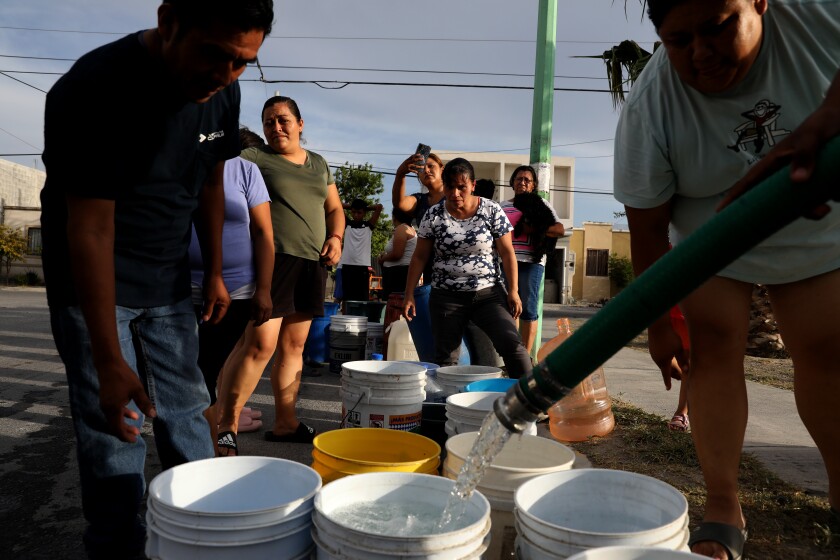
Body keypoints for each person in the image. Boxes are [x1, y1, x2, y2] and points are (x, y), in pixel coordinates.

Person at [39, 1, 273, 557]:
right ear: (169, 21)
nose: (224, 75)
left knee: (187, 408)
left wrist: (213, 271)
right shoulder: (94, 88)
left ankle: (201, 533)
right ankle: (117, 544)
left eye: (242, 63)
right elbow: (91, 229)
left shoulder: (224, 92)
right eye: (213, 54)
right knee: (113, 425)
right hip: (94, 280)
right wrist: (107, 359)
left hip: (170, 279)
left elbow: (212, 185)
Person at [613, 1, 840, 558]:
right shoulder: (652, 105)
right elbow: (647, 232)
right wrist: (661, 325)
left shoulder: (821, 14)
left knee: (828, 353)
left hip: (816, 216)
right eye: (679, 40)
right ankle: (723, 505)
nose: (701, 54)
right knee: (713, 348)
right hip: (710, 234)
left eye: (718, 27)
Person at [239, 95, 344, 444]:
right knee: (259, 346)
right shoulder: (255, 158)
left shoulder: (319, 163)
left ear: (300, 124)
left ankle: (286, 422)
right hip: (274, 260)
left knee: (294, 347)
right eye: (268, 121)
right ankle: (222, 423)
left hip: (313, 263)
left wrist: (337, 238)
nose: (276, 126)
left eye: (283, 119)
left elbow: (334, 210)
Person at [402, 158, 532, 378]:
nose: (455, 193)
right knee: (446, 360)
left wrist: (513, 291)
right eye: (450, 186)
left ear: (472, 185)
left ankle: (532, 403)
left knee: (512, 346)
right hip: (446, 297)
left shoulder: (491, 211)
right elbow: (419, 257)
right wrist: (408, 295)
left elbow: (508, 252)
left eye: (461, 187)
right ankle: (451, 409)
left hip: (488, 294)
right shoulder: (433, 215)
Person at [188, 127, 273, 456]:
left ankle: (211, 448)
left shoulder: (245, 170)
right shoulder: (180, 166)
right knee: (190, 376)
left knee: (207, 372)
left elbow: (264, 232)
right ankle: (204, 448)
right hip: (180, 289)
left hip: (236, 291)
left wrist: (263, 289)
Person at [501, 165, 565, 354]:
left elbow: (560, 229)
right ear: (512, 182)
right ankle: (512, 356)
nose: (522, 182)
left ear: (533, 185)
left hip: (532, 262)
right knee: (508, 309)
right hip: (506, 261)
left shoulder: (541, 203)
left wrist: (533, 229)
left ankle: (526, 356)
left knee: (528, 308)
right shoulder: (502, 206)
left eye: (527, 180)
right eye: (518, 179)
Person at [392, 151, 445, 361]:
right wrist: (400, 174)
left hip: (462, 273)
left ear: (442, 169)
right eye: (422, 169)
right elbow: (399, 204)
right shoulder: (420, 201)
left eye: (432, 166)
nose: (427, 170)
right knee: (439, 329)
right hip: (433, 273)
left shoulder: (455, 196)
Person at [339, 199, 383, 304]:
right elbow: (339, 205)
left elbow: (379, 207)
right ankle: (346, 318)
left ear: (364, 213)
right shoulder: (347, 224)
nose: (356, 215)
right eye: (353, 212)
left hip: (362, 267)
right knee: (346, 298)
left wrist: (365, 207)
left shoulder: (369, 226)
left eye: (359, 212)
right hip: (347, 265)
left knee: (362, 298)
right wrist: (354, 206)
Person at [377, 207, 417, 300]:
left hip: (397, 274)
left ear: (394, 217)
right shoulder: (410, 229)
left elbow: (397, 254)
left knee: (393, 304)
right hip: (400, 272)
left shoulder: (401, 229)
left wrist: (383, 258)